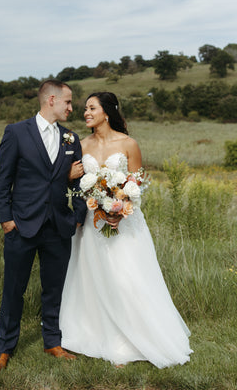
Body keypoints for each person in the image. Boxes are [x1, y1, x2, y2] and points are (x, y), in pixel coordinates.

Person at [60, 91, 193, 368]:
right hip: (93, 224)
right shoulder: (81, 145)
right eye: (84, 108)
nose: (85, 113)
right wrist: (94, 202)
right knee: (95, 278)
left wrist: (120, 210)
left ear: (106, 112)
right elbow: (74, 183)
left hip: (125, 223)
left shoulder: (129, 144)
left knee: (126, 278)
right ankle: (98, 333)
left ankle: (132, 338)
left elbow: (137, 184)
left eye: (91, 108)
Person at [0, 80, 86, 370]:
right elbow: (3, 181)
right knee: (13, 289)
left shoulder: (71, 138)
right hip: (21, 225)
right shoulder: (16, 132)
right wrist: (6, 220)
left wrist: (78, 216)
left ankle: (52, 342)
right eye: (68, 102)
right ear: (52, 100)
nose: (71, 107)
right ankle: (4, 348)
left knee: (54, 288)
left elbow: (79, 183)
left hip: (58, 226)